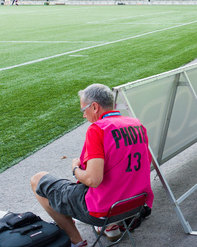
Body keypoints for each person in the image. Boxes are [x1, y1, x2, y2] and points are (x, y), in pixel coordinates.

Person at [31, 84, 154, 247]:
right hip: (135, 205)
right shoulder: (136, 124)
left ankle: (77, 241)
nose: (84, 116)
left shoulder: (97, 129)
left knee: (37, 180)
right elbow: (146, 163)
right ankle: (111, 228)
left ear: (95, 107)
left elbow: (93, 180)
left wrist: (75, 169)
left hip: (105, 210)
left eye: (84, 110)